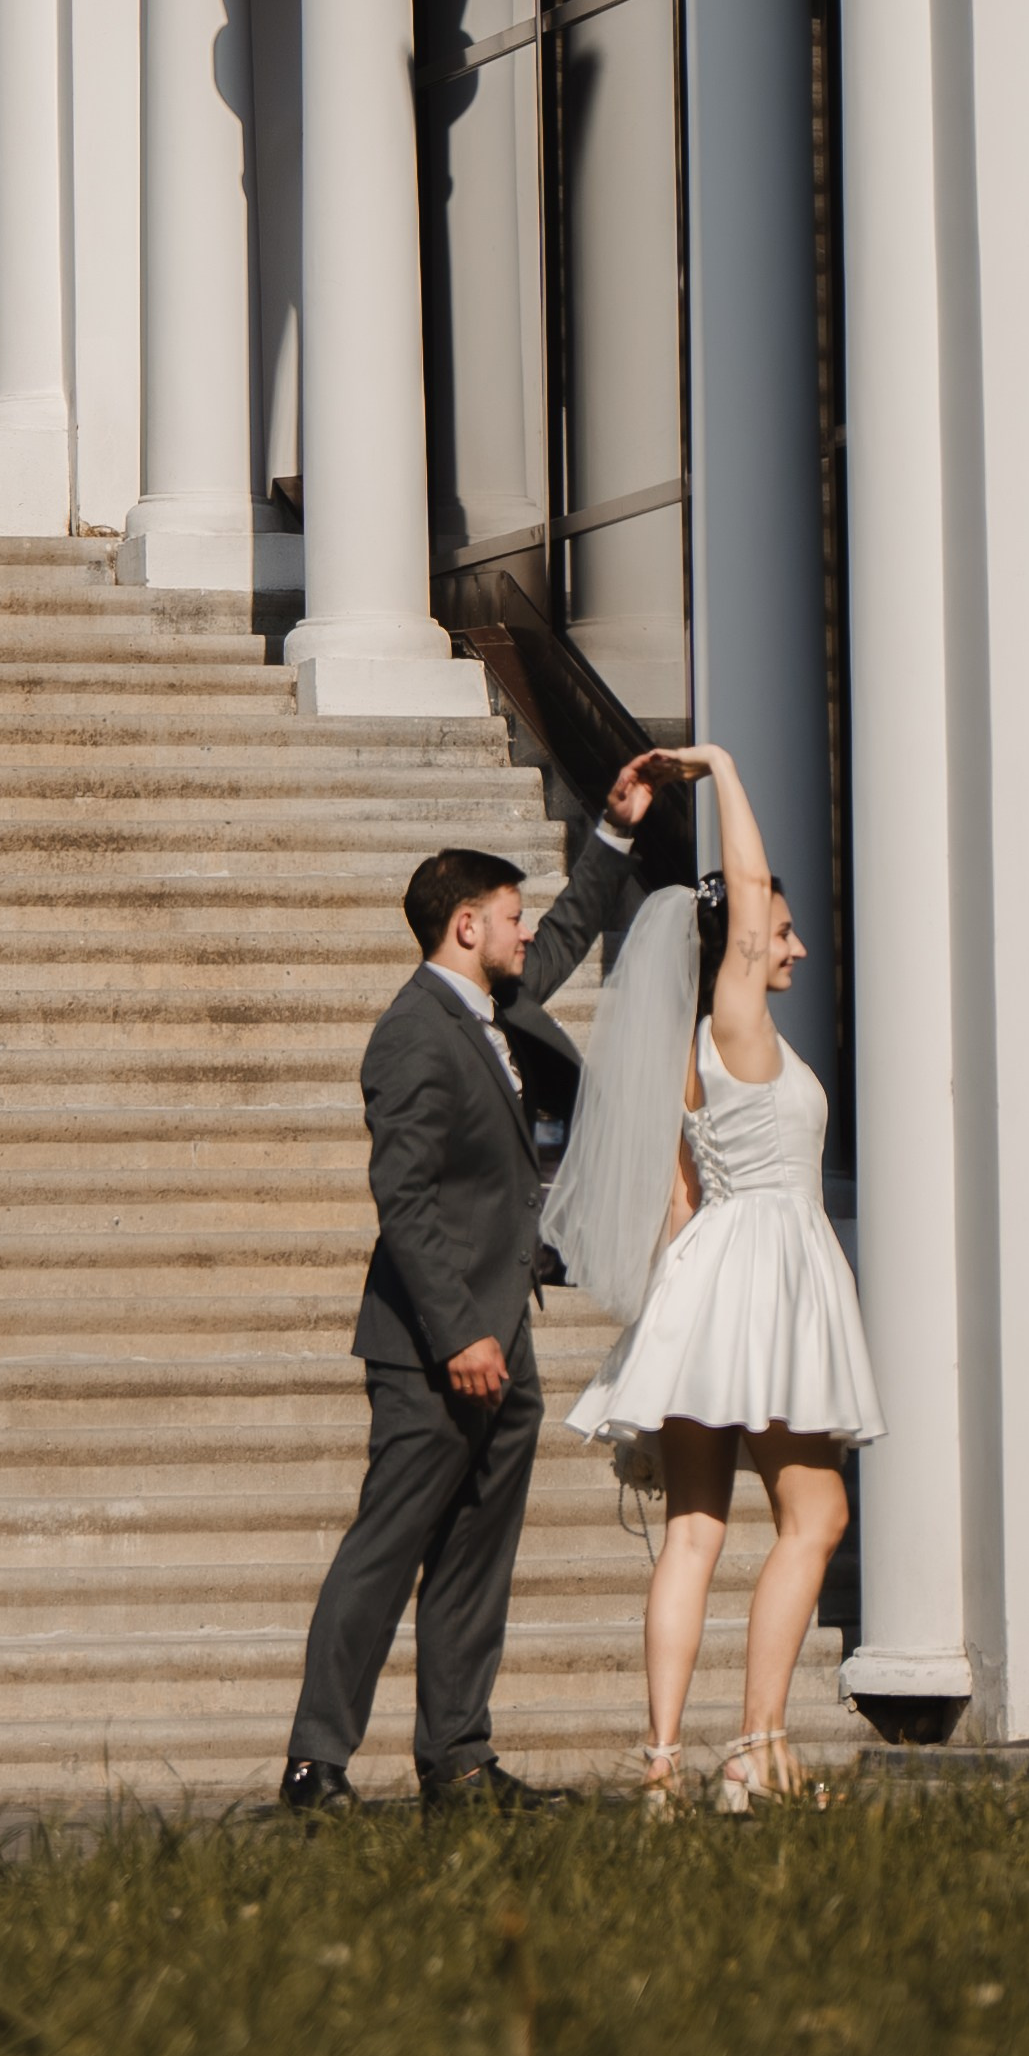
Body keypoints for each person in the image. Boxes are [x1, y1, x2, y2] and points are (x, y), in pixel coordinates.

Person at [279, 761, 659, 1812]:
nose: (525, 931)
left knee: (474, 1560)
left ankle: (457, 1756)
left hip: (506, 1331)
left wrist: (615, 837)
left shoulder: (493, 1006)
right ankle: (316, 1764)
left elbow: (573, 933)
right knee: (385, 1549)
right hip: (434, 1345)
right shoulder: (412, 1035)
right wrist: (456, 1335)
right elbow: (400, 1200)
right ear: (461, 927)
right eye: (508, 916)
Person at [545, 742, 882, 1812]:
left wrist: (661, 1336)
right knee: (814, 1517)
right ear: (734, 941)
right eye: (776, 927)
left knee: (693, 1531)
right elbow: (741, 892)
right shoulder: (737, 1028)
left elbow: (680, 1201)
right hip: (765, 1275)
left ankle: (659, 1767)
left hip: (707, 1278)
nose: (786, 940)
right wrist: (726, 765)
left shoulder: (693, 1050)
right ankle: (756, 1746)